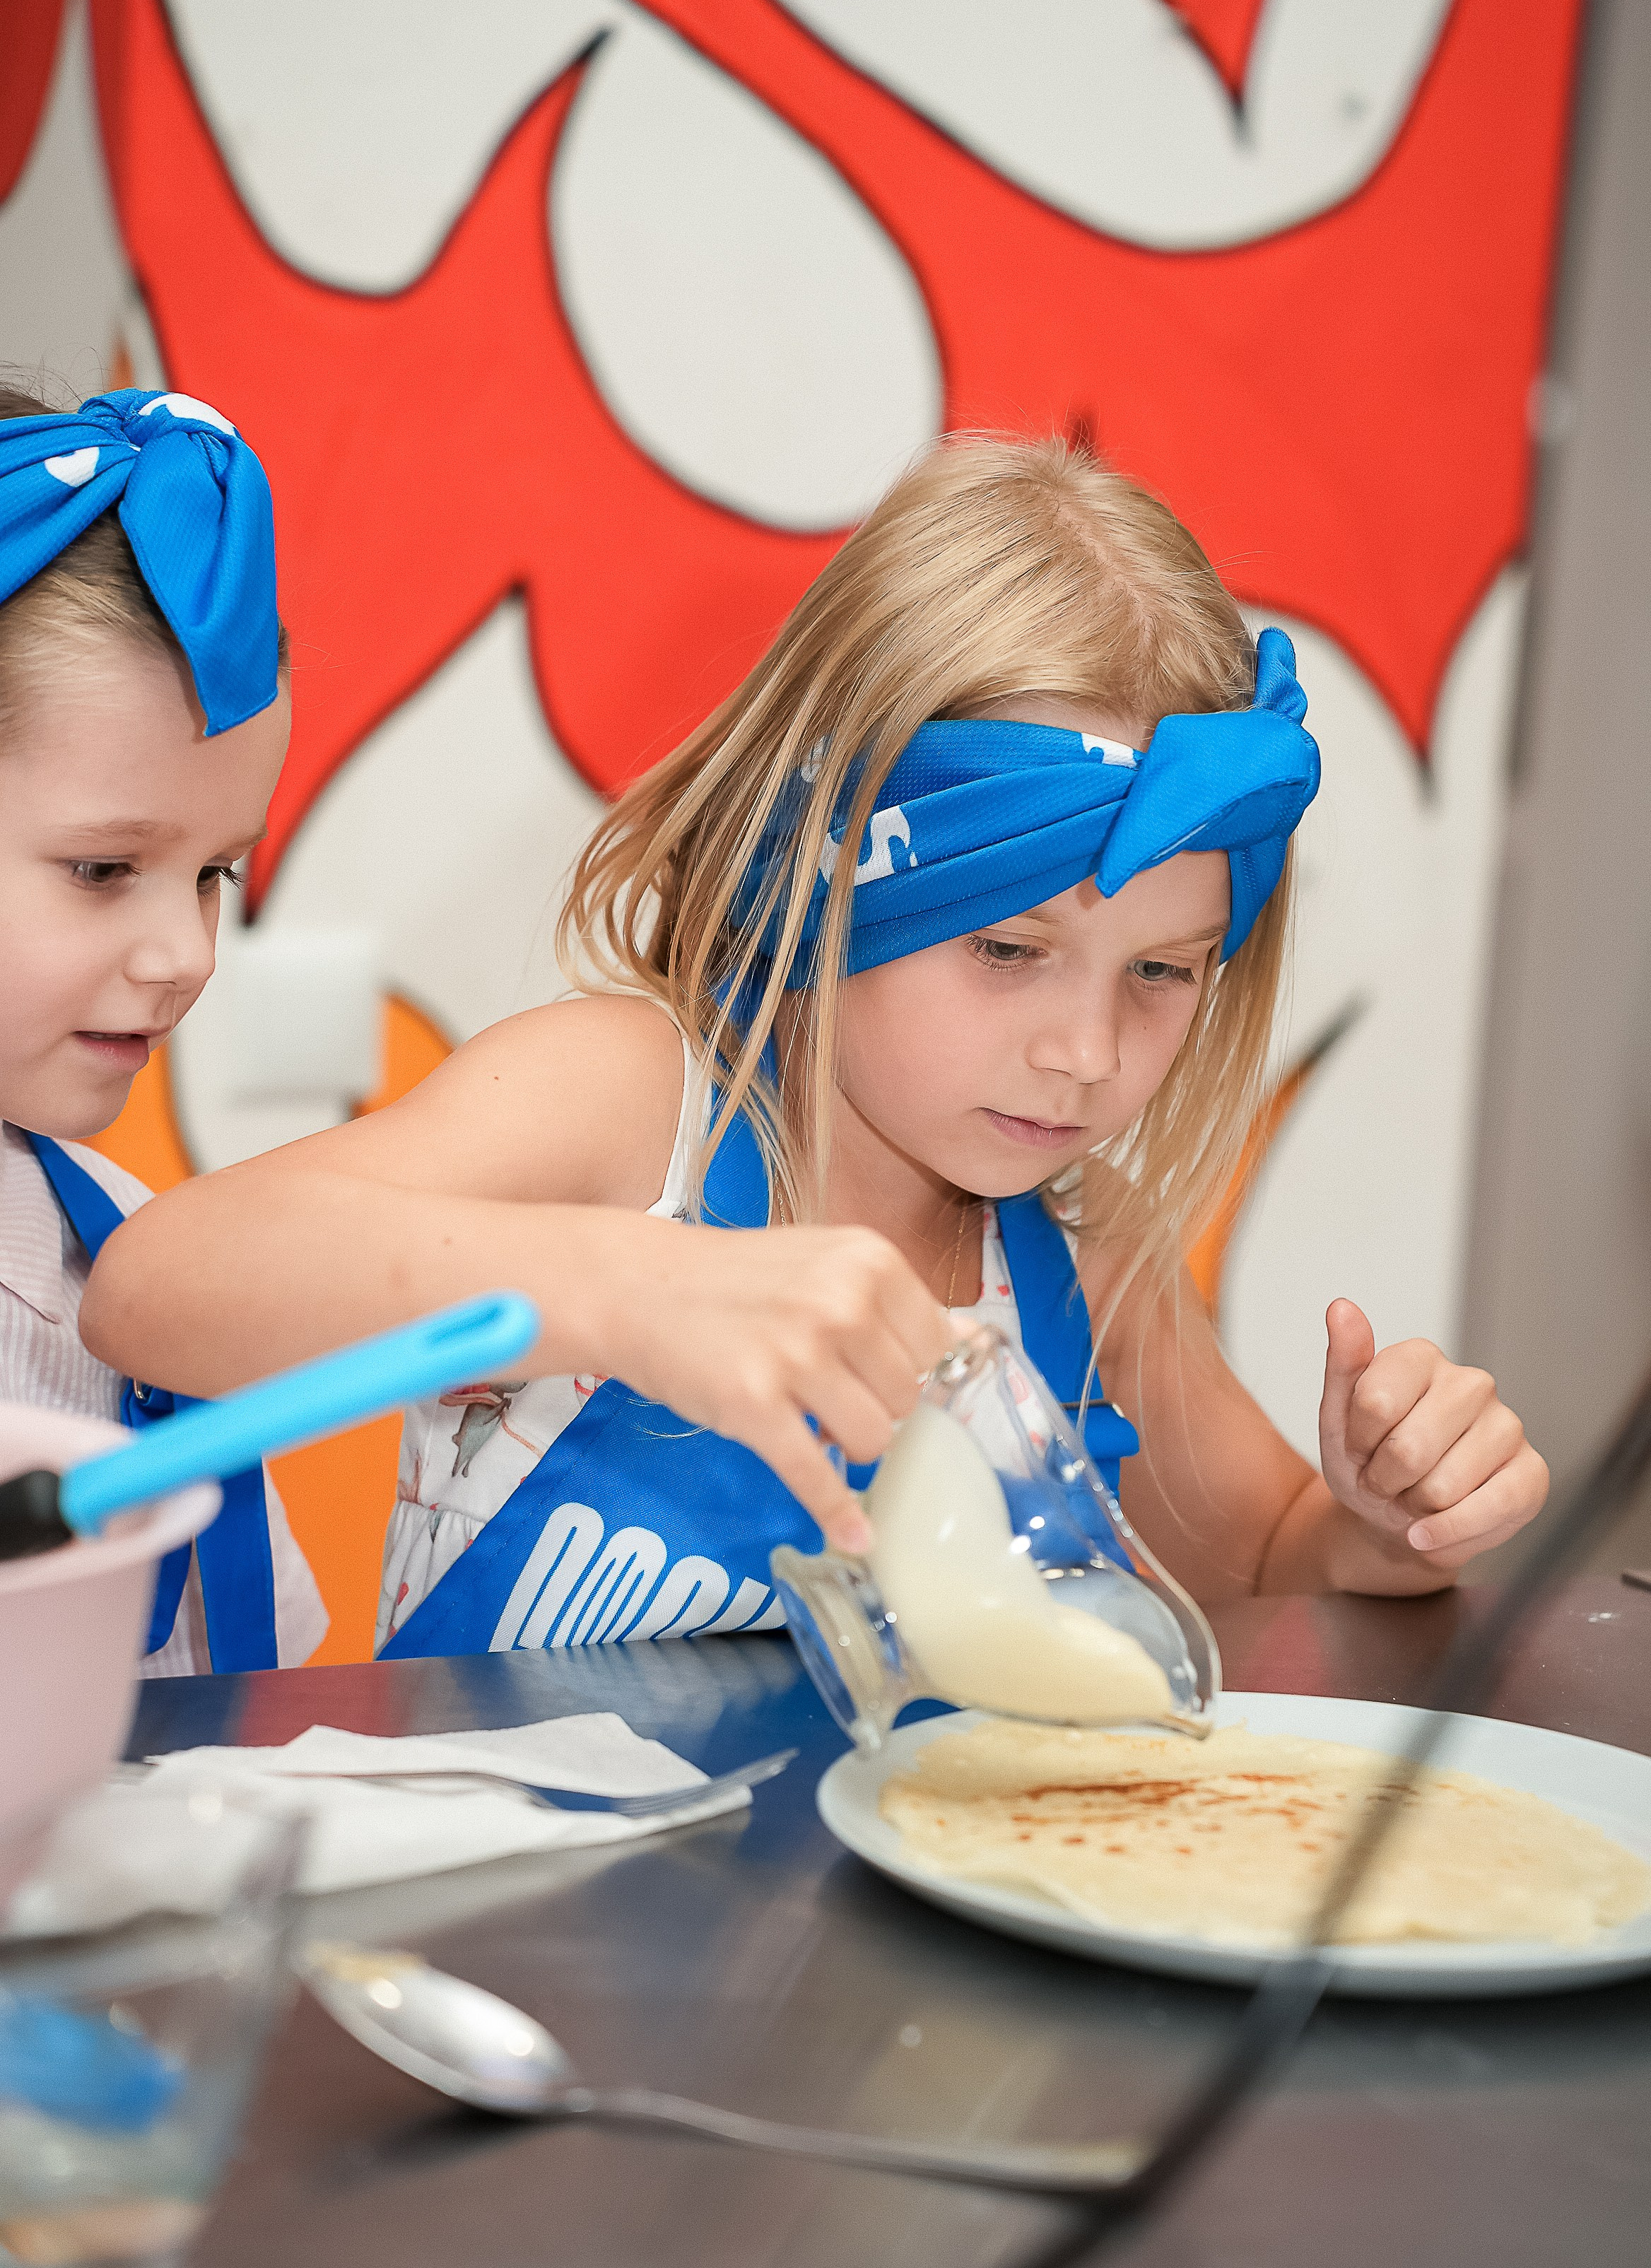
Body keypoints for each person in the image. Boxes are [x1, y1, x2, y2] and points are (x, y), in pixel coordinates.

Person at [81, 437, 1547, 1659]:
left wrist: (1389, 1514)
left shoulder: (1074, 1285)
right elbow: (158, 1291)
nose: (1086, 1053)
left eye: (1161, 973)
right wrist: (628, 1286)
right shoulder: (629, 1110)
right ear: (820, 878)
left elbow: (1276, 1562)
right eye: (1007, 952)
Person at [0, 380, 326, 1671]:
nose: (187, 954)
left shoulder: (137, 1270)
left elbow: (274, 1677)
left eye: (215, 875)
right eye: (101, 870)